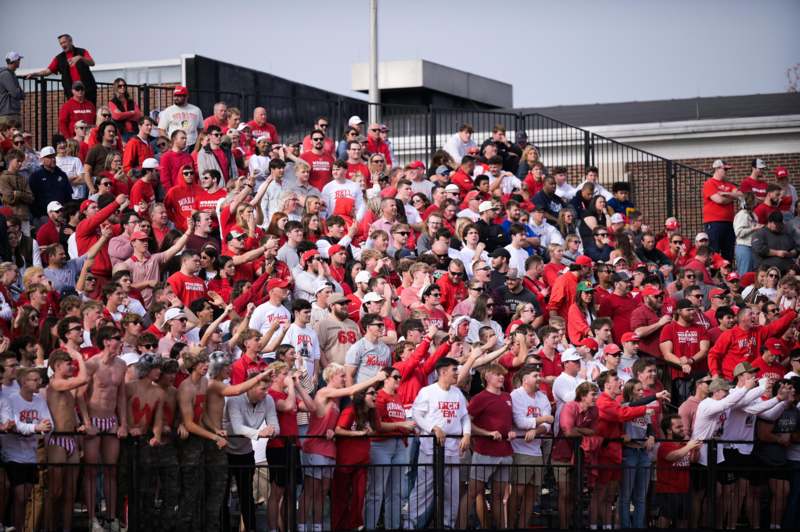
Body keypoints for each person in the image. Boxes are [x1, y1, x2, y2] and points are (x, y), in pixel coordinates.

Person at [297, 364, 386, 531]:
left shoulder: (336, 399)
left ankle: (317, 527)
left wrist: (332, 430)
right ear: (331, 377)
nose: (345, 379)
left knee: (322, 491)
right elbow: (352, 391)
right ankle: (302, 527)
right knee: (311, 490)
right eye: (342, 376)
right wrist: (375, 378)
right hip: (315, 447)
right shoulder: (324, 391)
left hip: (329, 449)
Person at [82, 326, 129, 531]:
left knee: (111, 470)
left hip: (111, 421)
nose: (121, 341)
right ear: (106, 341)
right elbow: (80, 395)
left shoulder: (122, 364)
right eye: (118, 338)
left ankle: (111, 517)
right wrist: (86, 422)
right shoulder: (91, 364)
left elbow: (121, 396)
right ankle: (92, 518)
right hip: (94, 419)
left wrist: (124, 423)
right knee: (91, 471)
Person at [223, 375, 280, 532]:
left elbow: (275, 426)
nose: (266, 392)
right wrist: (260, 433)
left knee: (247, 496)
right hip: (224, 452)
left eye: (268, 388)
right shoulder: (234, 400)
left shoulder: (268, 400)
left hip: (245, 452)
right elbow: (237, 428)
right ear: (251, 387)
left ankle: (251, 529)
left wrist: (272, 430)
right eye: (263, 389)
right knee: (223, 496)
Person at [45, 348, 88, 532]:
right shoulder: (55, 384)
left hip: (71, 438)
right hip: (57, 440)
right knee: (56, 492)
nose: (73, 367)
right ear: (57, 366)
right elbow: (84, 378)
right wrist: (79, 356)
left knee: (70, 493)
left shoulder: (69, 387)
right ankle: (48, 528)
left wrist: (80, 430)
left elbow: (71, 412)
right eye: (69, 364)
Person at [509, 364, 553, 528]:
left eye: (540, 375)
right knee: (518, 492)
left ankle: (523, 526)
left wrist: (537, 430)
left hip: (537, 451)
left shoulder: (542, 396)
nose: (539, 378)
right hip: (520, 450)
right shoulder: (516, 395)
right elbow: (520, 422)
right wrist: (543, 420)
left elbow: (549, 426)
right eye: (535, 375)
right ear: (525, 379)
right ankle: (510, 525)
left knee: (531, 494)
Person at [27, 34, 97, 103]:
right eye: (61, 44)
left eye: (64, 42)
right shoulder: (59, 58)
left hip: (87, 90)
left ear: (70, 41)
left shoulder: (82, 51)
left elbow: (92, 63)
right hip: (72, 92)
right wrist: (34, 74)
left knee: (90, 112)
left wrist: (80, 57)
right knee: (75, 113)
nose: (63, 45)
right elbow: (47, 71)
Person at [702, 159, 742, 261]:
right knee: (714, 251)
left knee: (728, 252)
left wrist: (727, 194)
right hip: (714, 222)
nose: (726, 172)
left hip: (729, 222)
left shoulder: (729, 184)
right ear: (717, 169)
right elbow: (719, 200)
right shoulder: (709, 183)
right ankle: (715, 275)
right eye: (725, 169)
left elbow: (740, 194)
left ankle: (727, 275)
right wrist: (733, 196)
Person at [28, 147, 72, 226]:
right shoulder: (35, 176)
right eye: (49, 157)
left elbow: (68, 196)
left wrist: (66, 213)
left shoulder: (62, 174)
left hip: (62, 215)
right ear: (42, 160)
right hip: (43, 216)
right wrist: (39, 215)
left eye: (53, 157)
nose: (53, 159)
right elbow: (31, 199)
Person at [0, 52, 24, 125]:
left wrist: (20, 93)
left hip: (12, 113)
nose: (20, 61)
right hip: (7, 114)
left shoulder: (12, 74)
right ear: (15, 61)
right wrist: (20, 92)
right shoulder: (6, 74)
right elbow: (16, 94)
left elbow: (21, 94)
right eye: (19, 59)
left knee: (17, 136)